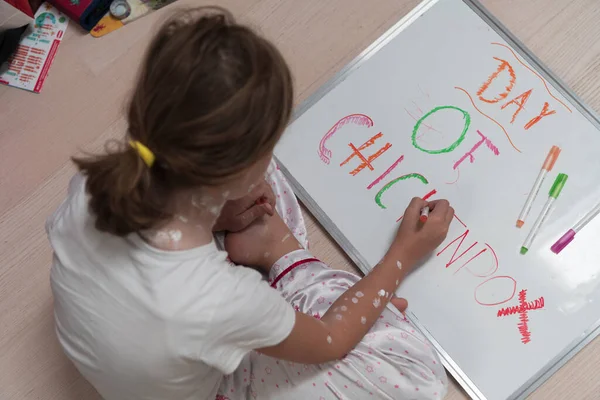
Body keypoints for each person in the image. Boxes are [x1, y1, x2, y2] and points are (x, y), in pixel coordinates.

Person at [46, 7, 454, 400]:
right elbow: (332, 340)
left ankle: (272, 256)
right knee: (412, 372)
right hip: (200, 380)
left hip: (133, 347)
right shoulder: (223, 299)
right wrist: (401, 255)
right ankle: (283, 257)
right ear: (234, 175)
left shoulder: (89, 184)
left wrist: (216, 213)